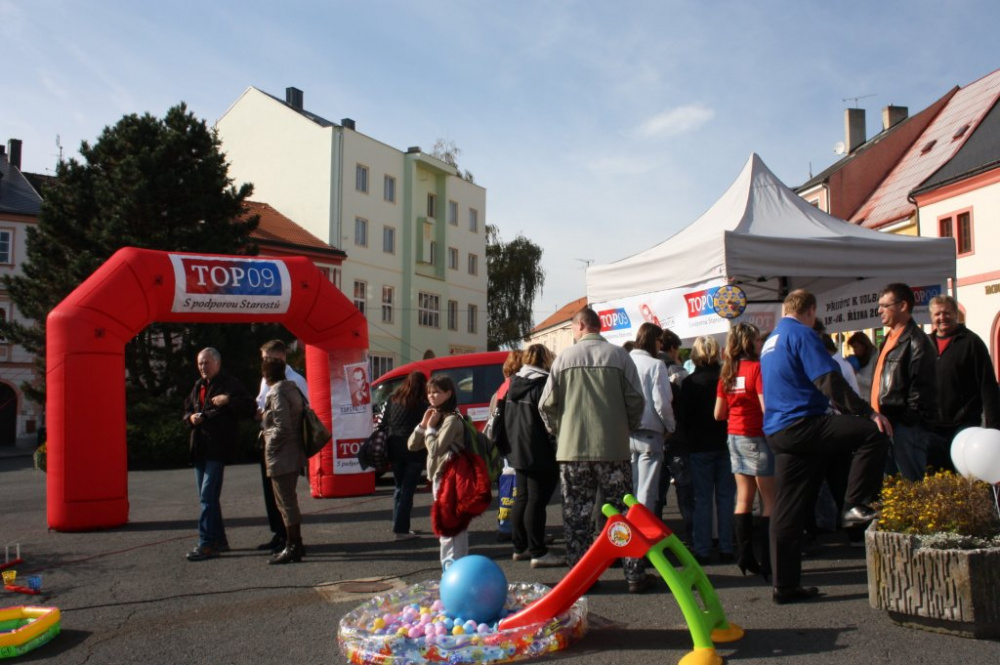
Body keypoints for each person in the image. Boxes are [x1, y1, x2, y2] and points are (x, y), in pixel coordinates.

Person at [761, 289, 891, 604]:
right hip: (804, 423)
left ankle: (785, 585)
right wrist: (867, 412)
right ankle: (855, 504)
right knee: (872, 434)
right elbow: (828, 380)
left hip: (779, 430)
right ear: (810, 311)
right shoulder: (803, 334)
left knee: (787, 509)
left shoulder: (771, 340)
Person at [539, 306, 654, 594]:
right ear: (598, 326)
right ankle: (633, 574)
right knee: (622, 513)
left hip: (572, 451)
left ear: (579, 327)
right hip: (613, 449)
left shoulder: (563, 359)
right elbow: (636, 400)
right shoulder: (619, 356)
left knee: (576, 515)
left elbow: (546, 404)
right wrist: (625, 426)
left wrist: (559, 430)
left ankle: (583, 577)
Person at [182, 347, 255, 562]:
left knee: (207, 496)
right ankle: (220, 540)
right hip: (200, 449)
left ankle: (206, 544)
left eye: (206, 363)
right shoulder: (197, 386)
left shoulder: (229, 384)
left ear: (217, 363)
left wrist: (228, 400)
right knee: (209, 498)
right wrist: (190, 419)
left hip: (217, 449)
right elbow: (185, 410)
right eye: (200, 363)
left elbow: (249, 406)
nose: (203, 367)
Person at [714, 323, 774, 580]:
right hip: (757, 436)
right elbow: (766, 406)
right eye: (758, 340)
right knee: (770, 501)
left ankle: (745, 555)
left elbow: (718, 414)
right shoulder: (757, 369)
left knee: (743, 498)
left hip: (734, 436)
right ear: (751, 343)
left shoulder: (727, 372)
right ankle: (770, 560)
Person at [505, 344, 564, 568]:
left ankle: (520, 546)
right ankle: (538, 551)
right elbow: (550, 419)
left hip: (517, 448)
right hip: (538, 449)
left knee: (522, 498)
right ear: (546, 359)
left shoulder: (514, 383)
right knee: (536, 501)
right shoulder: (543, 384)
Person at [871, 283, 938, 480]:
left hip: (904, 429)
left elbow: (922, 390)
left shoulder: (918, 342)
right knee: (890, 487)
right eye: (879, 305)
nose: (879, 310)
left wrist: (904, 422)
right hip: (884, 423)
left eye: (885, 305)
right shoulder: (888, 339)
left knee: (910, 486)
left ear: (902, 306)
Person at [678, 335, 734, 565]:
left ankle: (701, 549)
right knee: (725, 498)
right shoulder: (726, 378)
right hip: (725, 442)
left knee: (702, 499)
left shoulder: (690, 383)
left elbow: (683, 417)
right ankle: (727, 547)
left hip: (699, 445)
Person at [928, 295, 1000, 468]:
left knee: (964, 475)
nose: (942, 318)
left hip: (964, 424)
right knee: (935, 479)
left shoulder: (971, 342)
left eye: (947, 313)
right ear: (932, 317)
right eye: (937, 314)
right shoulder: (925, 344)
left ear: (956, 314)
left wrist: (995, 427)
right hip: (931, 426)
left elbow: (987, 386)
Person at [254, 339, 309, 554]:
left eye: (267, 360)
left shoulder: (290, 383)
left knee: (286, 498)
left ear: (279, 359)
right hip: (277, 444)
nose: (264, 364)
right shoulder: (274, 384)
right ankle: (282, 535)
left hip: (281, 448)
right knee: (277, 497)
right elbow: (261, 402)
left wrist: (271, 443)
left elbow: (290, 420)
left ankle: (292, 542)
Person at [408, 375, 468, 570]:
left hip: (451, 477)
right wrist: (424, 426)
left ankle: (452, 570)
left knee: (451, 527)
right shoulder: (434, 416)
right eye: (429, 392)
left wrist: (431, 430)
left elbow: (435, 449)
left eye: (437, 392)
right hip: (440, 478)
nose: (432, 396)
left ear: (448, 393)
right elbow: (412, 445)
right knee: (450, 526)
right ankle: (453, 568)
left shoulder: (451, 419)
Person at [628, 323, 676, 513]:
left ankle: (629, 534)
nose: (661, 346)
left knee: (631, 489)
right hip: (650, 431)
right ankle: (642, 536)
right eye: (660, 341)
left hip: (627, 431)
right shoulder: (656, 365)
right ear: (653, 340)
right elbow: (662, 402)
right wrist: (670, 426)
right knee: (646, 492)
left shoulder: (625, 361)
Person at [655, 329, 693, 540]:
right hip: (678, 437)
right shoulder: (679, 373)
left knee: (656, 495)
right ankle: (692, 535)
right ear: (671, 348)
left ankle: (657, 537)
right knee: (685, 491)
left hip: (656, 437)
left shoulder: (648, 368)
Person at [382, 371, 429, 539]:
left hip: (395, 449)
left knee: (399, 488)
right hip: (414, 451)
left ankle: (398, 523)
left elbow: (384, 423)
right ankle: (401, 529)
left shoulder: (393, 400)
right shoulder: (423, 404)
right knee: (408, 491)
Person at [846, 332, 877, 399]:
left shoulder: (876, 359)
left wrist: (856, 375)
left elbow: (874, 384)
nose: (854, 351)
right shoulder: (859, 359)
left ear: (864, 345)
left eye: (856, 347)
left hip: (871, 400)